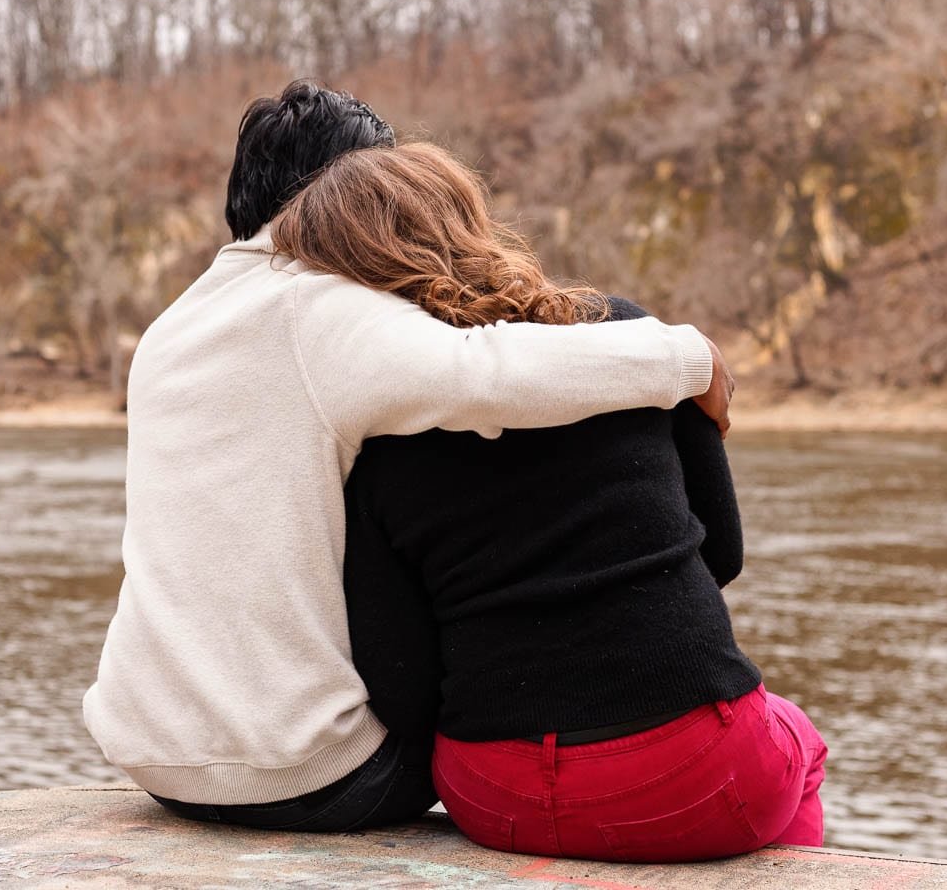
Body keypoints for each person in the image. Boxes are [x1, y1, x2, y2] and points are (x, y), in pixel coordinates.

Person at [81, 81, 737, 832]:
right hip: (306, 773)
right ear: (355, 196)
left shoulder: (174, 325)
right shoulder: (315, 307)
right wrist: (688, 357)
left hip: (154, 755)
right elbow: (484, 371)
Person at [270, 140, 828, 861]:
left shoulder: (375, 434)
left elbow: (400, 680)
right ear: (469, 218)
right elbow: (721, 552)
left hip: (491, 791)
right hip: (696, 772)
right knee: (799, 745)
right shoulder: (629, 347)